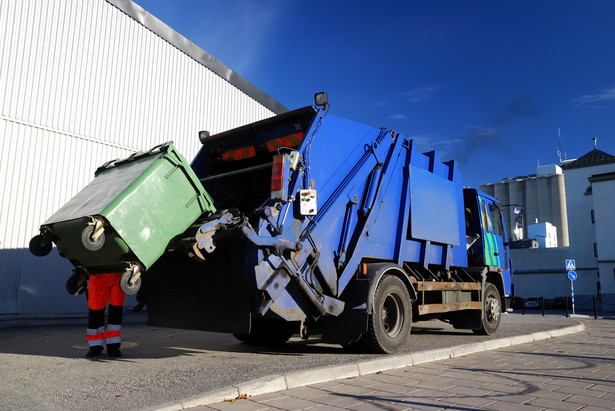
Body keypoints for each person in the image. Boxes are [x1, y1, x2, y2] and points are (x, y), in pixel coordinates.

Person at [85, 273, 125, 357]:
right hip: (99, 276)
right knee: (96, 310)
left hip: (118, 276)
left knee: (116, 309)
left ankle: (113, 345)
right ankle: (95, 346)